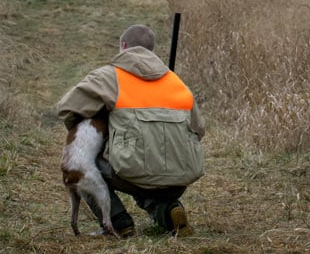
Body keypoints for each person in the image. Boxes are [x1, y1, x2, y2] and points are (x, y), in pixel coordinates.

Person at [56, 24, 205, 238]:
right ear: (151, 50)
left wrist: (103, 123)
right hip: (180, 178)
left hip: (133, 173)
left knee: (84, 163)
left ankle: (118, 222)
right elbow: (199, 129)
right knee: (143, 171)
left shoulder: (109, 76)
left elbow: (66, 109)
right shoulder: (177, 82)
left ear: (123, 46)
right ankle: (168, 210)